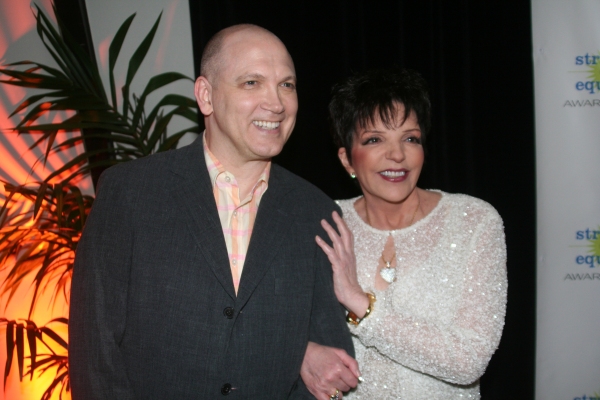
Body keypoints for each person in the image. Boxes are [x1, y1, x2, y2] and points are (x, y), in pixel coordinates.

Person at [68, 24, 356, 399]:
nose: (277, 103)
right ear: (206, 96)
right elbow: (95, 350)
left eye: (287, 84)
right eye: (252, 83)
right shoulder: (131, 192)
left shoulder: (315, 211)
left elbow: (329, 365)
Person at [301, 67, 507, 399]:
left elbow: (469, 360)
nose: (397, 155)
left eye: (410, 138)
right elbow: (272, 324)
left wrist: (360, 303)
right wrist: (302, 353)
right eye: (374, 139)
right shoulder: (323, 222)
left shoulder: (473, 221)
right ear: (347, 160)